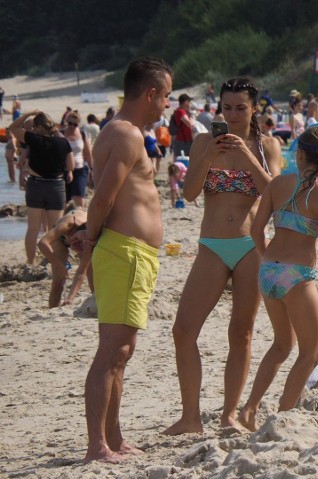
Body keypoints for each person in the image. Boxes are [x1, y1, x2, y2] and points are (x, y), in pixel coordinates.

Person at [71, 56, 173, 464]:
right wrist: (91, 241)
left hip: (131, 253)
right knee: (112, 351)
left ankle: (113, 437)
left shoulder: (121, 132)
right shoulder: (128, 135)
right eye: (165, 95)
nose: (166, 103)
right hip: (125, 252)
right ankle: (97, 445)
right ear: (150, 93)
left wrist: (92, 239)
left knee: (122, 350)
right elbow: (105, 197)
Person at [162, 77, 275, 436]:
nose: (233, 114)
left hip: (250, 246)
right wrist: (209, 154)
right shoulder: (201, 142)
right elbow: (191, 193)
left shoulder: (266, 144)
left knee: (240, 333)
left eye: (241, 107)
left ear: (254, 108)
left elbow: (272, 194)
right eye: (227, 107)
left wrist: (245, 155)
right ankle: (190, 417)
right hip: (212, 243)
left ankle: (229, 414)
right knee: (183, 330)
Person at [236, 126, 318, 431]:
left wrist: (267, 259)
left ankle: (249, 409)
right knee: (312, 351)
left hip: (268, 271)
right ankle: (283, 414)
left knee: (281, 344)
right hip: (297, 274)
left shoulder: (278, 184)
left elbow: (255, 229)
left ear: (299, 154)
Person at [8, 110, 73, 265]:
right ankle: (57, 260)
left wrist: (27, 114)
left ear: (38, 127)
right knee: (55, 228)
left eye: (34, 127)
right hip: (56, 186)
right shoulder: (63, 143)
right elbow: (70, 166)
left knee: (33, 228)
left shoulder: (33, 139)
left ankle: (31, 262)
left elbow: (13, 127)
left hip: (36, 185)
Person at [37, 207, 93, 307]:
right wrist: (57, 264)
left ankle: (96, 298)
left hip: (83, 232)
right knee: (59, 277)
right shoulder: (67, 225)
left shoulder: (91, 233)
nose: (75, 247)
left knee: (90, 270)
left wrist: (70, 298)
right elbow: (42, 243)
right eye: (74, 243)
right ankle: (53, 309)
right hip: (61, 238)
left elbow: (81, 272)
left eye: (77, 244)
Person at [63, 111, 93, 208]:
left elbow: (88, 153)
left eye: (75, 124)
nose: (72, 126)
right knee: (64, 200)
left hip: (80, 169)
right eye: (70, 123)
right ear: (66, 121)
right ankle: (62, 221)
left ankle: (81, 220)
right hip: (64, 170)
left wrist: (92, 169)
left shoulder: (82, 134)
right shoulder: (61, 134)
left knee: (79, 197)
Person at [172, 93, 194, 158]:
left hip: (186, 140)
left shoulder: (184, 112)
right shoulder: (180, 111)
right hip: (182, 141)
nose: (190, 105)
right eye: (190, 103)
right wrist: (192, 118)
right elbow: (189, 124)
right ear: (186, 102)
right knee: (181, 161)